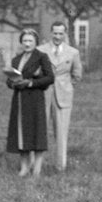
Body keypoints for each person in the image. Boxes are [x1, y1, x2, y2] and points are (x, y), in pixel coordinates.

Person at [5, 29, 55, 178]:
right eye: (25, 41)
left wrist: (31, 83)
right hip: (20, 101)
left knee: (36, 133)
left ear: (35, 42)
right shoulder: (16, 59)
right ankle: (24, 167)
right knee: (21, 132)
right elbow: (9, 80)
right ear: (21, 42)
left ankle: (37, 169)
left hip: (35, 99)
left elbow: (50, 78)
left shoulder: (42, 57)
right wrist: (14, 83)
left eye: (30, 41)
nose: (27, 44)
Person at [37, 21, 83, 172]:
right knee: (39, 131)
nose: (57, 36)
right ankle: (36, 165)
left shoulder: (73, 52)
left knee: (62, 133)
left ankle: (60, 167)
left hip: (63, 96)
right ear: (51, 33)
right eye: (55, 33)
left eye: (60, 33)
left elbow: (77, 75)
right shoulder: (40, 50)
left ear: (65, 34)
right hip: (43, 94)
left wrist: (67, 87)